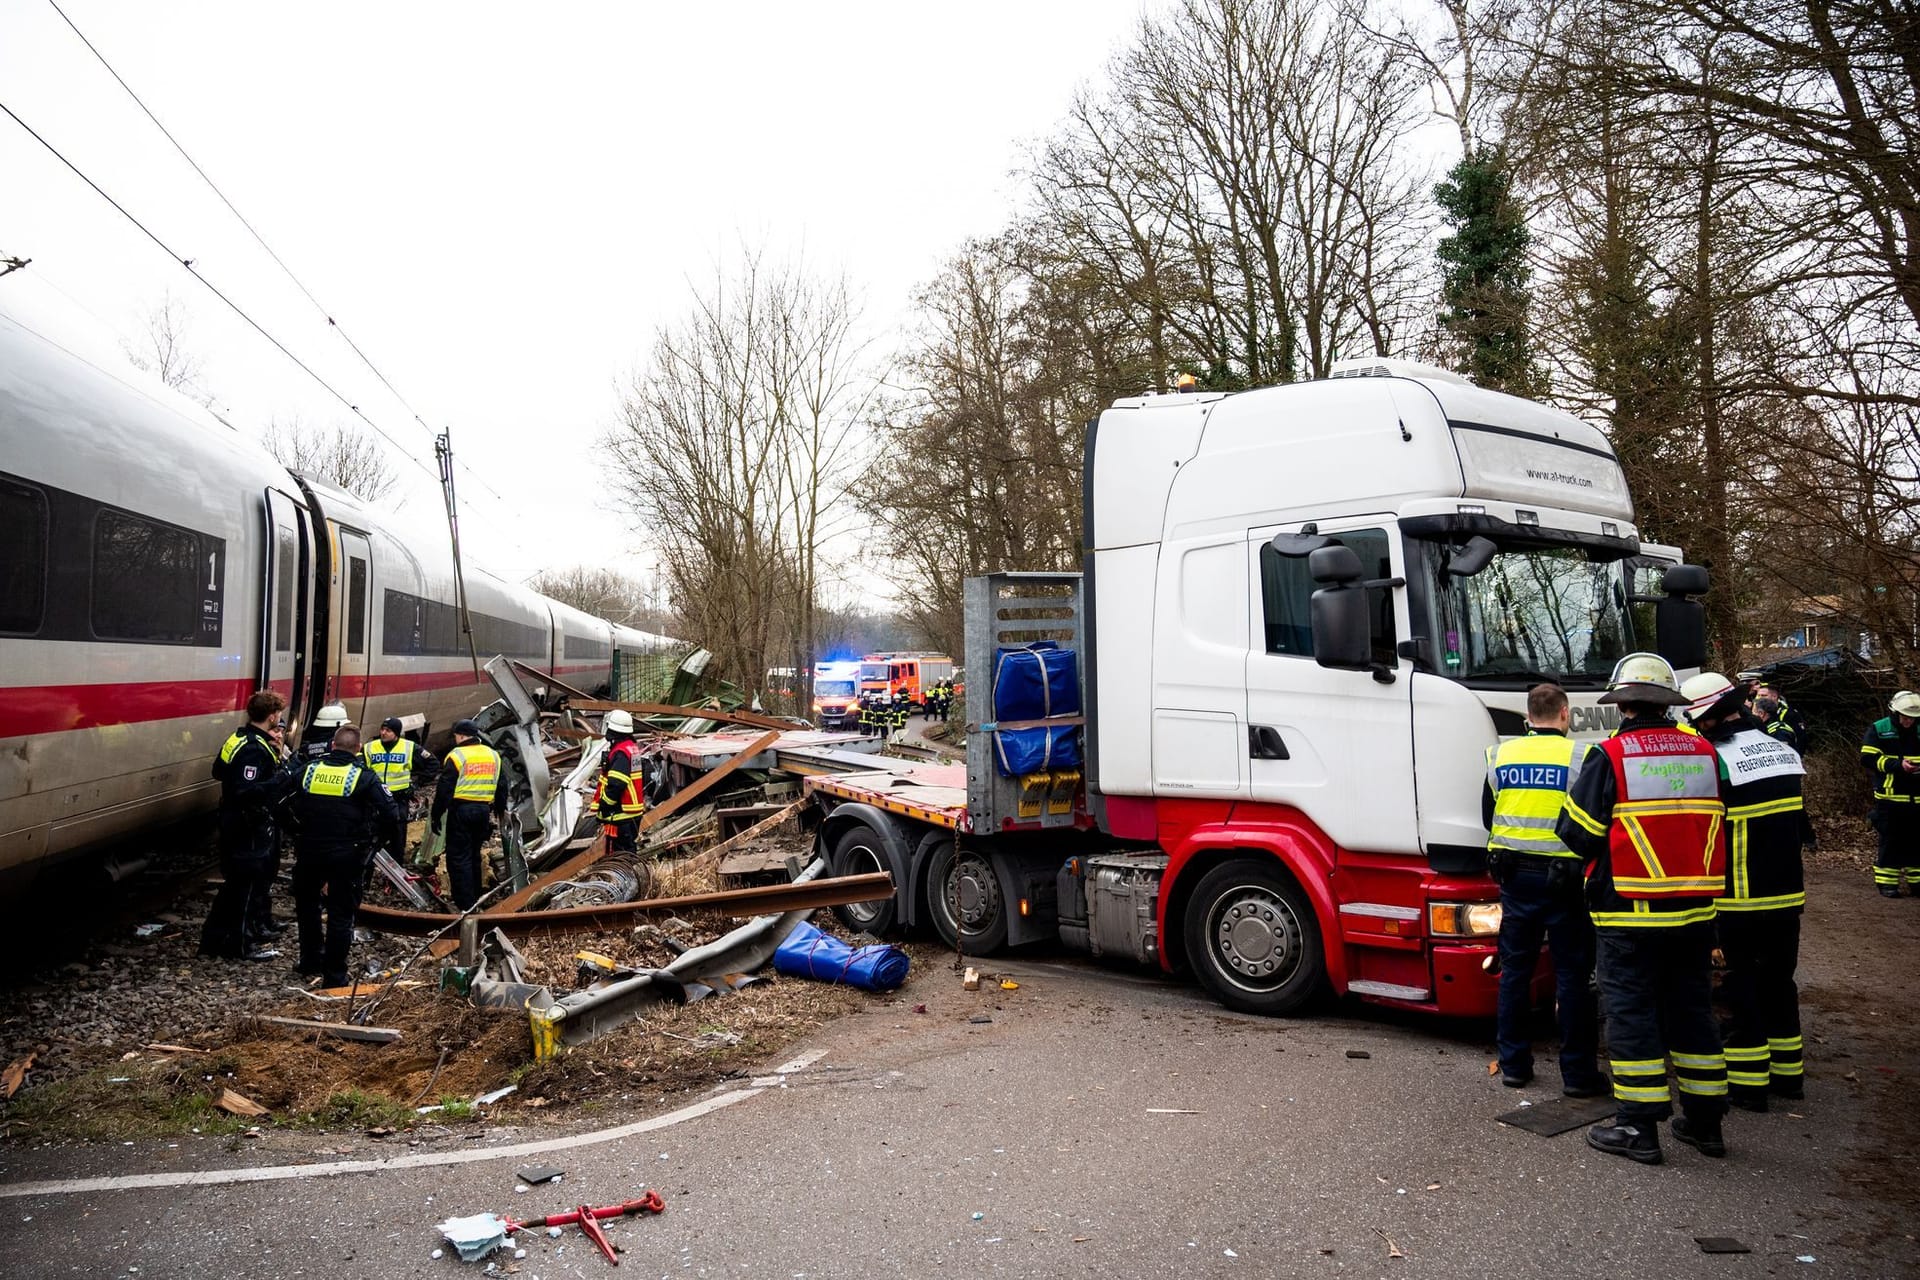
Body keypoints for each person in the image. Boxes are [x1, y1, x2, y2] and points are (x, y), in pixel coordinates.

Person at [1558, 653, 1731, 1165]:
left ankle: (1638, 1126)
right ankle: (1705, 1124)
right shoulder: (1705, 752)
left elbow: (1577, 833)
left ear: (1624, 704)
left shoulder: (1610, 756)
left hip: (1630, 913)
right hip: (1696, 911)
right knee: (1693, 1013)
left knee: (1632, 1015)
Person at [1681, 672, 1808, 1109]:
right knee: (1780, 981)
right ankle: (1789, 1075)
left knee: (1741, 985)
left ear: (1710, 718)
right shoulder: (1782, 749)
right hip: (1788, 894)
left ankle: (1749, 1085)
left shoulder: (1716, 760)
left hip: (1740, 897)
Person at [1482, 683, 1605, 1097]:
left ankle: (1514, 1065)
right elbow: (1593, 822)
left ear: (1528, 716)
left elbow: (1490, 813)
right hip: (1566, 881)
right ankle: (1578, 1075)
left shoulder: (1500, 754)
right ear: (1565, 714)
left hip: (1514, 878)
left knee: (1515, 972)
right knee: (1572, 977)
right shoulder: (1582, 756)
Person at [290, 724, 399, 987]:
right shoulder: (363, 776)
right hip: (346, 854)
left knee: (307, 907)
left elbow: (279, 800)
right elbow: (391, 815)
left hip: (309, 850)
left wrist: (296, 831)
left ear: (332, 746)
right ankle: (335, 976)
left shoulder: (308, 770)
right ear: (358, 749)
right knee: (341, 913)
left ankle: (310, 961)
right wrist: (372, 842)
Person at [200, 690, 294, 961]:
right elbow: (246, 790)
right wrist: (281, 778)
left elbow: (218, 770)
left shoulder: (237, 738)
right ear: (272, 716)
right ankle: (241, 945)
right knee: (245, 887)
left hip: (232, 819)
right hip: (247, 824)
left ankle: (212, 940)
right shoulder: (255, 748)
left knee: (233, 886)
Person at [430, 720, 503, 910]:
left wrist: (436, 815)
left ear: (461, 735)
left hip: (461, 810)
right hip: (483, 811)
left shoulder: (457, 755)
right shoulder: (492, 754)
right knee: (474, 854)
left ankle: (464, 902)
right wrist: (500, 810)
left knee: (458, 856)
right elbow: (502, 785)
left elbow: (444, 788)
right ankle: (477, 894)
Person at [1860, 691, 1920, 897]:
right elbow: (1868, 758)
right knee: (1891, 840)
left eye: (1912, 718)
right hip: (1890, 796)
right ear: (1894, 712)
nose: (1908, 721)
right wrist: (1897, 765)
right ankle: (1887, 883)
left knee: (1916, 841)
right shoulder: (1879, 728)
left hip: (1917, 797)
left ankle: (1917, 881)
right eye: (1904, 717)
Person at [360, 717, 435, 860]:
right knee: (371, 836)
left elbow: (432, 764)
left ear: (397, 733)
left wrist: (416, 784)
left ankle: (396, 869)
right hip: (376, 799)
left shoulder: (410, 747)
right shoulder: (369, 747)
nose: (383, 733)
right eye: (382, 729)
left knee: (398, 837)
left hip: (398, 799)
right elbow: (360, 767)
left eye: (388, 730)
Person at [595, 709, 647, 854]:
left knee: (619, 856)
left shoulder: (620, 753)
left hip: (620, 814)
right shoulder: (631, 748)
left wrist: (605, 805)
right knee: (628, 852)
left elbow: (617, 783)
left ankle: (625, 877)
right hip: (631, 812)